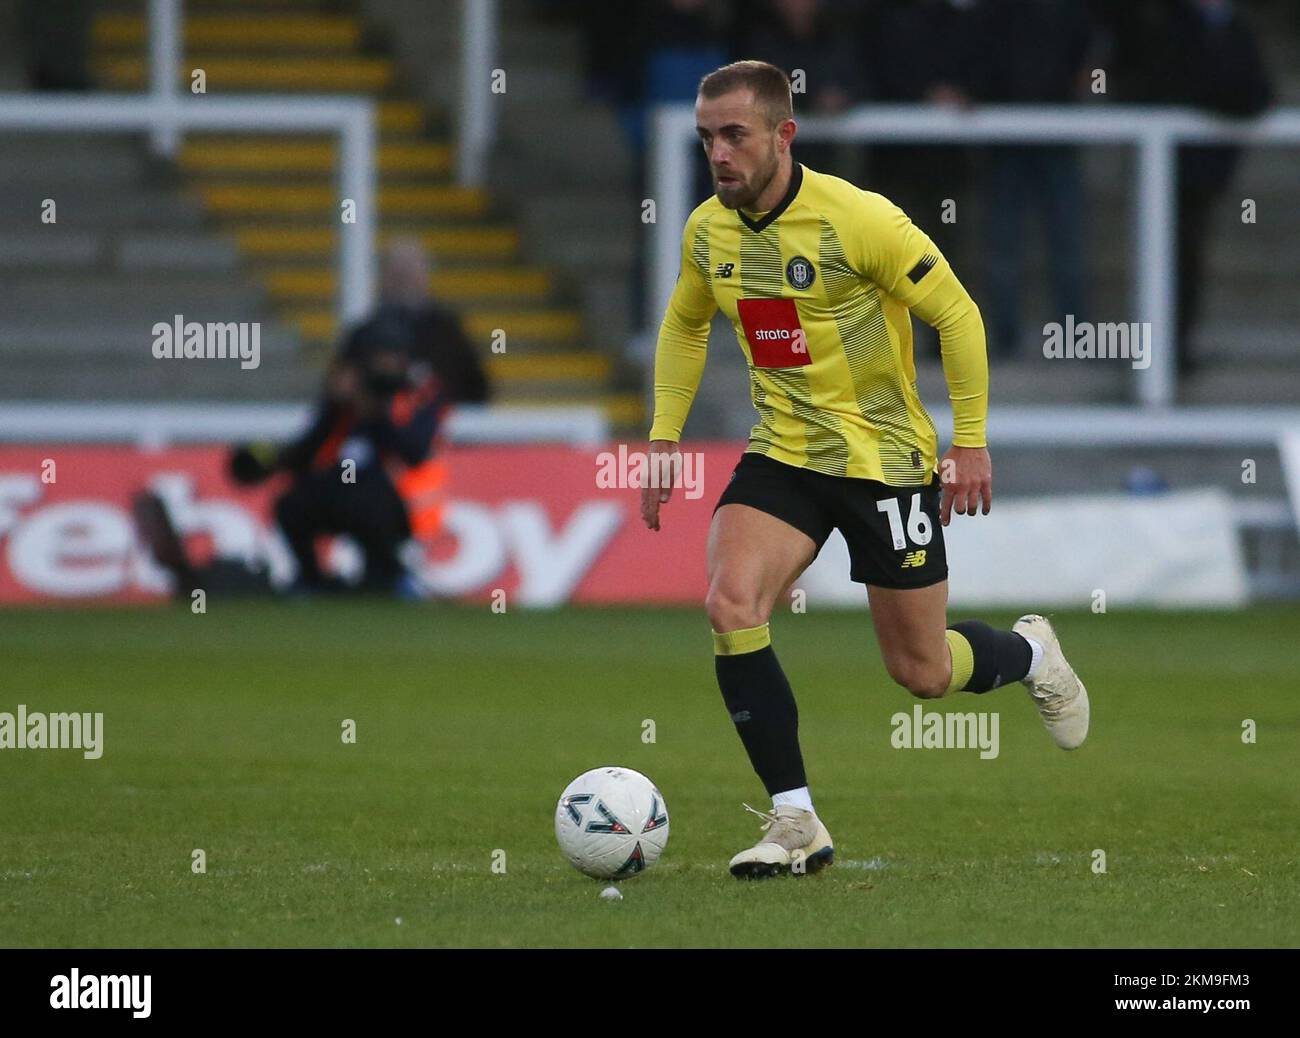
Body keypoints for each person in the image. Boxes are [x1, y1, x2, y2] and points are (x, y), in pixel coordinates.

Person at [640, 60, 1089, 879]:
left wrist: (972, 441)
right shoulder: (707, 230)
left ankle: (1029, 655)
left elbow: (957, 313)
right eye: (708, 138)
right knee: (729, 602)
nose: (719, 155)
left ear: (785, 135)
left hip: (885, 462)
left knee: (920, 672)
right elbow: (684, 320)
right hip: (784, 453)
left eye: (735, 135)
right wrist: (664, 437)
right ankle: (795, 818)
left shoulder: (859, 220)